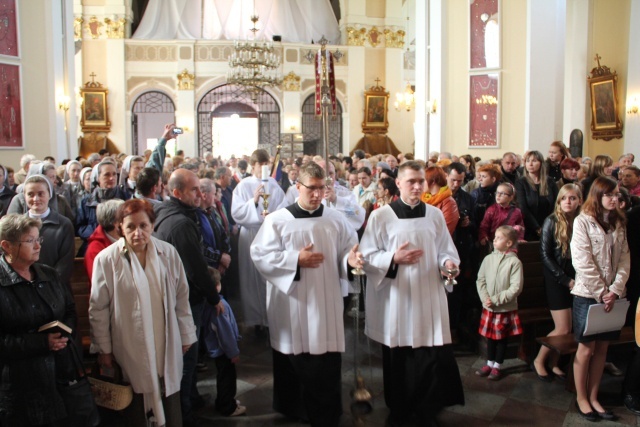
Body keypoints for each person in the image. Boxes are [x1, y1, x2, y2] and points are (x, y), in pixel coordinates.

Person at [250, 162, 362, 426]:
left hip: (326, 300)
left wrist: (351, 260)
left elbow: (348, 248)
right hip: (292, 302)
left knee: (325, 357)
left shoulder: (335, 219)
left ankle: (326, 410)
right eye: (311, 188)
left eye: (322, 188)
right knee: (295, 355)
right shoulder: (278, 220)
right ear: (297, 186)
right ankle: (294, 406)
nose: (317, 194)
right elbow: (260, 254)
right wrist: (294, 260)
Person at [360, 160, 464, 426]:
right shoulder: (381, 216)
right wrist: (393, 257)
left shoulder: (434, 214)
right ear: (398, 183)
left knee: (429, 352)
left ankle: (427, 407)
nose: (418, 186)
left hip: (429, 292)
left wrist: (449, 264)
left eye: (421, 181)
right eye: (411, 182)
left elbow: (445, 250)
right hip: (398, 297)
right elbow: (368, 255)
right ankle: (400, 408)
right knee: (400, 355)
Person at [90, 199, 197, 427]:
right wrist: (104, 349)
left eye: (143, 226)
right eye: (130, 227)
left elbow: (181, 297)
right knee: (137, 398)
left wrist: (186, 334)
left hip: (164, 339)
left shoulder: (167, 253)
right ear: (120, 227)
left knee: (167, 392)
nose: (138, 233)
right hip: (129, 340)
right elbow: (98, 308)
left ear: (153, 225)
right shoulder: (107, 259)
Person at [153, 168, 224, 427]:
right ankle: (183, 415)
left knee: (189, 359)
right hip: (184, 300)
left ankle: (191, 399)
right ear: (176, 193)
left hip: (178, 296)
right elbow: (195, 267)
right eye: (193, 190)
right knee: (186, 359)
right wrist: (214, 298)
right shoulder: (181, 223)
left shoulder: (167, 211)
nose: (200, 194)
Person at [0, 214, 79, 426]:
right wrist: (42, 343)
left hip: (57, 375)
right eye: (30, 241)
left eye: (38, 239)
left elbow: (69, 309)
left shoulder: (48, 274)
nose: (37, 246)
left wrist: (65, 334)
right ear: (7, 246)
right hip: (17, 384)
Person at [571, 176, 630, 421]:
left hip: (613, 296)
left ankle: (595, 396)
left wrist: (616, 289)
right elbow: (582, 261)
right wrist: (602, 292)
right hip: (588, 294)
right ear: (598, 196)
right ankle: (581, 397)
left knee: (603, 349)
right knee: (586, 350)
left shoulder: (618, 223)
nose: (615, 199)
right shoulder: (583, 222)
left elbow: (625, 259)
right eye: (610, 195)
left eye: (617, 195)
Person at [231, 149, 285, 332]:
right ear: (253, 165)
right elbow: (237, 213)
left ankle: (270, 318)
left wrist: (273, 217)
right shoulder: (243, 186)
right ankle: (254, 320)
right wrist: (253, 203)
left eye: (266, 164)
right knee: (250, 276)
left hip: (269, 235)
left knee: (267, 276)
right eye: (260, 164)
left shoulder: (274, 185)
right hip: (250, 235)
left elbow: (283, 207)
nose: (264, 168)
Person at [532, 184, 582, 380]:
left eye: (572, 198)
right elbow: (545, 255)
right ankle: (539, 360)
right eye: (564, 198)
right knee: (562, 327)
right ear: (559, 201)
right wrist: (564, 279)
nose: (568, 202)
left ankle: (554, 363)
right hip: (556, 279)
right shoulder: (551, 221)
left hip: (576, 279)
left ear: (579, 200)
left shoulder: (581, 221)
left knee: (569, 328)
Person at [475, 225, 524, 380]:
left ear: (509, 243)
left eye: (498, 238)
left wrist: (495, 300)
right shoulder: (488, 259)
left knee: (502, 338)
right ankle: (489, 363)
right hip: (488, 306)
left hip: (504, 307)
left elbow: (516, 287)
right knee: (490, 337)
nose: (494, 240)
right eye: (494, 237)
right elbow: (480, 280)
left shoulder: (514, 263)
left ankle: (497, 365)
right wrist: (485, 298)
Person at [203, 267, 246, 417]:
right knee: (227, 379)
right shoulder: (219, 307)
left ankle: (223, 401)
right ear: (217, 285)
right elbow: (225, 333)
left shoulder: (209, 304)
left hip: (219, 350)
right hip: (224, 351)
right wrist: (233, 352)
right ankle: (228, 406)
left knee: (223, 377)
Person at [22, 174, 75, 286]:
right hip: (25, 288)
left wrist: (49, 285)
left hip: (56, 287)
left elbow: (65, 262)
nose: (36, 199)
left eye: (41, 194)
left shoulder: (64, 224)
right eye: (30, 194)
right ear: (24, 196)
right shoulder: (18, 225)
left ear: (49, 195)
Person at [76, 160, 128, 254]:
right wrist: (100, 234)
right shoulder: (87, 201)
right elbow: (80, 227)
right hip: (96, 244)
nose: (112, 178)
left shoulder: (125, 198)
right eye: (106, 175)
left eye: (114, 174)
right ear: (98, 178)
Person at [516, 150, 559, 241]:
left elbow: (556, 204)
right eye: (528, 161)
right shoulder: (521, 182)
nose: (530, 164)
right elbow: (522, 207)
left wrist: (547, 225)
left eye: (534, 161)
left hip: (549, 226)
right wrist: (537, 228)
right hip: (529, 228)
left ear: (541, 163)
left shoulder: (550, 182)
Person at [84, 199, 124, 281]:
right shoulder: (94, 249)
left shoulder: (125, 240)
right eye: (124, 218)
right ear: (116, 223)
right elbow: (100, 281)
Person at [421, 166, 459, 236]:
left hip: (438, 243)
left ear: (432, 181)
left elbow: (445, 230)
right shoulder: (423, 198)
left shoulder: (449, 202)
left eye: (423, 181)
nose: (421, 184)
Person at [470, 163, 502, 229]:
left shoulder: (502, 193)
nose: (480, 179)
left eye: (484, 177)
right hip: (478, 229)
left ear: (493, 179)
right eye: (480, 176)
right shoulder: (475, 193)